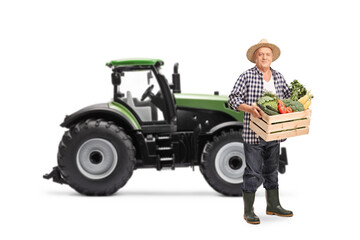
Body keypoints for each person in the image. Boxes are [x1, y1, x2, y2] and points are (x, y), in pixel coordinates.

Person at [228, 39, 293, 224]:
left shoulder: (279, 77)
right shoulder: (246, 76)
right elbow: (233, 99)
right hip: (253, 133)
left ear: (272, 58)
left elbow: (287, 99)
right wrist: (249, 108)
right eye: (261, 54)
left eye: (267, 54)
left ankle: (273, 205)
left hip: (274, 133)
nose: (264, 57)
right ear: (255, 57)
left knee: (272, 171)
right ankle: (248, 211)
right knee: (253, 173)